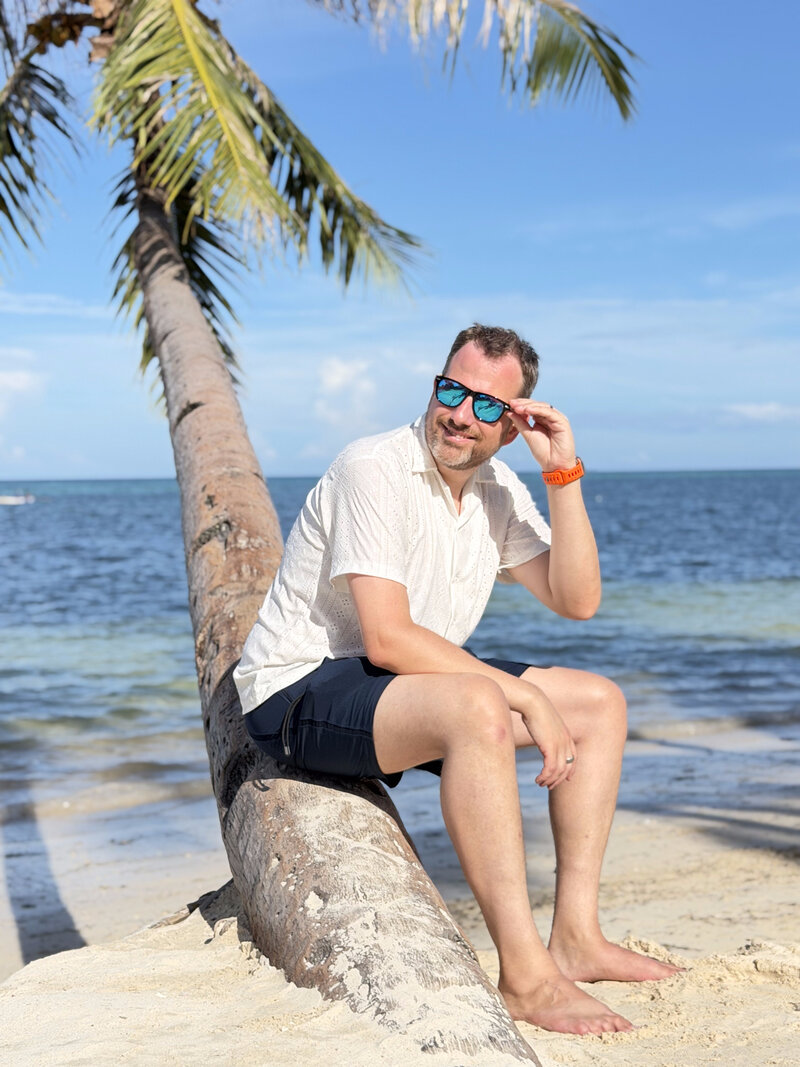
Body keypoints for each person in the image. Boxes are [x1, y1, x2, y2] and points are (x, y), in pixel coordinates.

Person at [234, 323, 679, 1035]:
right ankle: (528, 977)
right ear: (435, 386)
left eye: (485, 405)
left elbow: (578, 599)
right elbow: (385, 634)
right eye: (452, 389)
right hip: (300, 691)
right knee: (483, 702)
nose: (460, 414)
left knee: (600, 704)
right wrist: (525, 693)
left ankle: (577, 937)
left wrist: (563, 474)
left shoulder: (496, 487)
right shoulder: (374, 466)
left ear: (512, 424)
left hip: (393, 682)